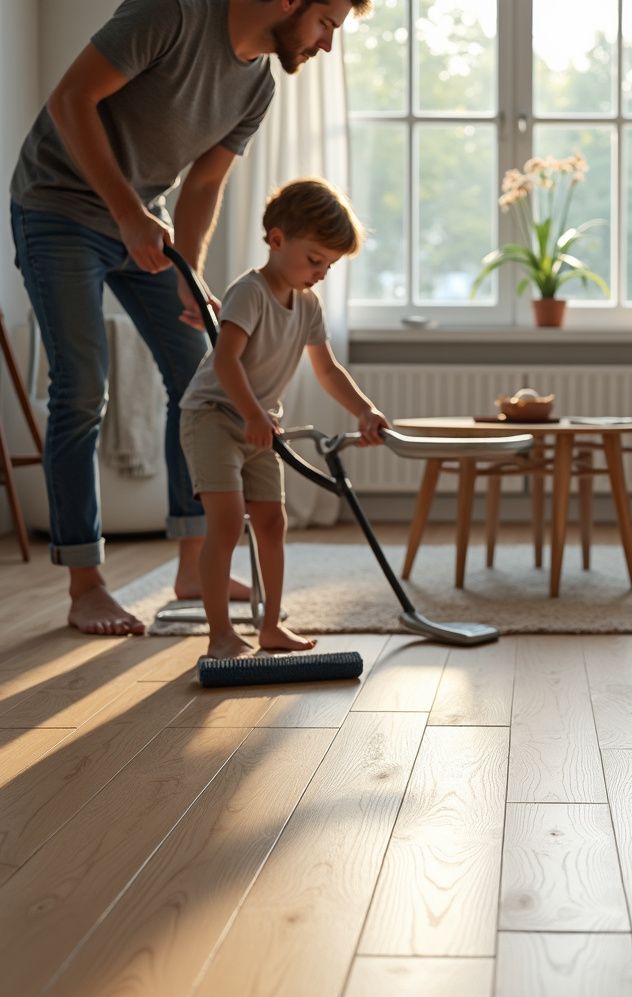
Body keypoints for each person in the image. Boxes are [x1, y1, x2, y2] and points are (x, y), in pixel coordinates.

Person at [9, 0, 368, 636]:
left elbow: (203, 186)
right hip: (58, 208)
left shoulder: (256, 85)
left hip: (143, 223)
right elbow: (70, 101)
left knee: (197, 379)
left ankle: (191, 562)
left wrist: (187, 274)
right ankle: (85, 584)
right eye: (327, 24)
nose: (327, 44)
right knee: (83, 385)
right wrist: (125, 214)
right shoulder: (171, 13)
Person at [180, 178, 388, 660]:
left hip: (261, 424)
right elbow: (227, 360)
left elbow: (327, 369)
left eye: (329, 266)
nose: (321, 273)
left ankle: (271, 626)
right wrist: (252, 412)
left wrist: (364, 411)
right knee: (228, 523)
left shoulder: (309, 305)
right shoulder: (248, 293)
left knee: (273, 521)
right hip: (214, 416)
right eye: (315, 259)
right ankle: (221, 635)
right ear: (277, 240)